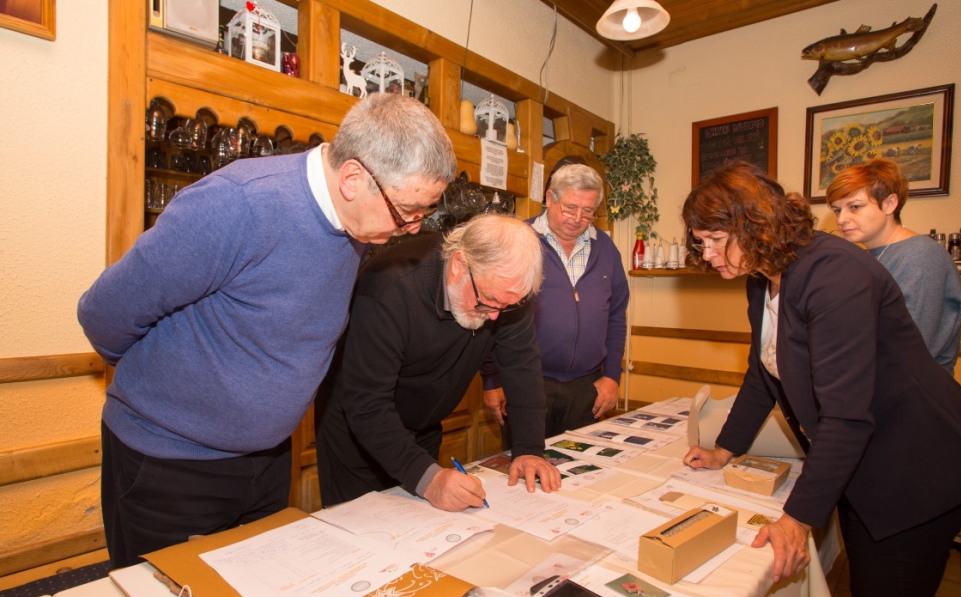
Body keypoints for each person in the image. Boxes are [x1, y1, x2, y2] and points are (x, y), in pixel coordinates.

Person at [78, 94, 456, 568]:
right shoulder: (237, 204)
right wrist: (167, 396)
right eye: (407, 211)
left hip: (270, 461)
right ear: (353, 179)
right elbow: (104, 314)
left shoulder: (358, 225)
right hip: (170, 465)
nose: (412, 228)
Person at [680, 161, 961, 597]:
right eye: (701, 242)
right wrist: (723, 450)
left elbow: (847, 414)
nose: (707, 254)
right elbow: (764, 371)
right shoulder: (763, 279)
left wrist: (797, 519)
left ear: (754, 225)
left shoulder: (835, 273)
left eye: (715, 240)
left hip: (917, 465)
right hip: (869, 460)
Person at [315, 214, 561, 511]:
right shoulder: (388, 288)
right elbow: (367, 403)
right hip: (358, 435)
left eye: (506, 306)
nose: (495, 315)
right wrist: (428, 479)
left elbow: (522, 368)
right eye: (487, 300)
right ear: (459, 264)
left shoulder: (503, 293)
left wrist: (529, 449)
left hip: (423, 424)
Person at [482, 163, 629, 438]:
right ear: (550, 198)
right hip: (525, 382)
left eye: (588, 211)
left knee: (584, 463)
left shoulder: (606, 248)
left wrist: (611, 376)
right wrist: (492, 380)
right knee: (525, 460)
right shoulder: (516, 241)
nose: (578, 219)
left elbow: (617, 316)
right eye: (570, 208)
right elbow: (490, 314)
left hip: (587, 387)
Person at [827, 158, 961, 373]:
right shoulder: (867, 257)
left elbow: (911, 346)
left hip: (913, 387)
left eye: (854, 207)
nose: (842, 219)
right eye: (837, 210)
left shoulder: (921, 255)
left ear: (890, 204)